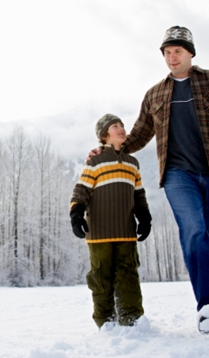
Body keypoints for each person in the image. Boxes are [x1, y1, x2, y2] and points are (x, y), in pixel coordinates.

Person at [88, 26, 209, 337]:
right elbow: (138, 135)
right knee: (194, 230)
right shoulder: (155, 94)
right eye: (166, 52)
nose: (172, 57)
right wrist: (107, 149)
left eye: (177, 51)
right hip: (178, 174)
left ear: (190, 53)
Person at [71, 113, 152, 329]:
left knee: (129, 275)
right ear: (104, 135)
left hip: (126, 231)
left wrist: (144, 217)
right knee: (101, 277)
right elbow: (81, 190)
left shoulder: (132, 163)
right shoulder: (95, 162)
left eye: (122, 125)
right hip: (99, 233)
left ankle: (131, 319)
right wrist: (76, 214)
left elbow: (139, 194)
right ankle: (105, 321)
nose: (121, 128)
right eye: (115, 126)